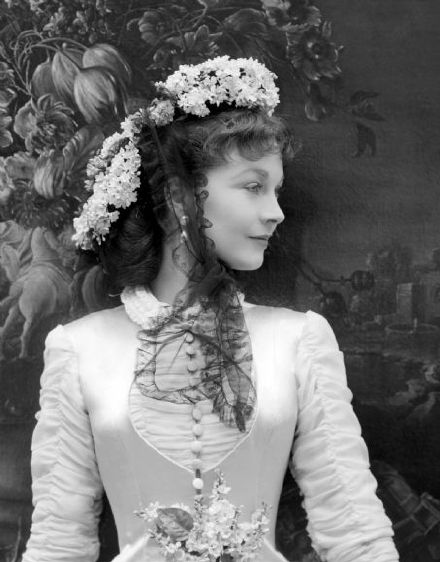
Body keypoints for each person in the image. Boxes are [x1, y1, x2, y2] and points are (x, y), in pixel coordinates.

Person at [22, 56, 399, 562]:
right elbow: (58, 542)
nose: (276, 212)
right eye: (253, 186)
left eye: (276, 190)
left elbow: (354, 530)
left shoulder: (300, 340)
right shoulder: (78, 349)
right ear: (181, 198)